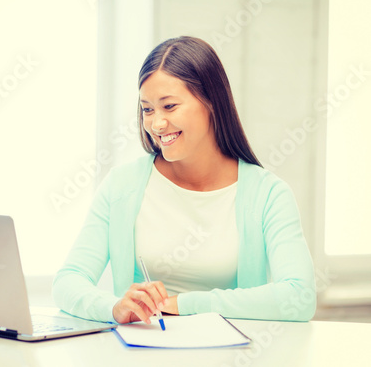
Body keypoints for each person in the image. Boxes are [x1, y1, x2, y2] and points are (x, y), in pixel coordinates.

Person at [52, 36, 316, 325]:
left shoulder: (269, 195)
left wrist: (180, 304)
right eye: (147, 109)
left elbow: (298, 297)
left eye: (169, 106)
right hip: (142, 352)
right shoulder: (121, 186)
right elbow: (68, 281)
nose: (156, 124)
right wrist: (114, 307)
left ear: (211, 102)